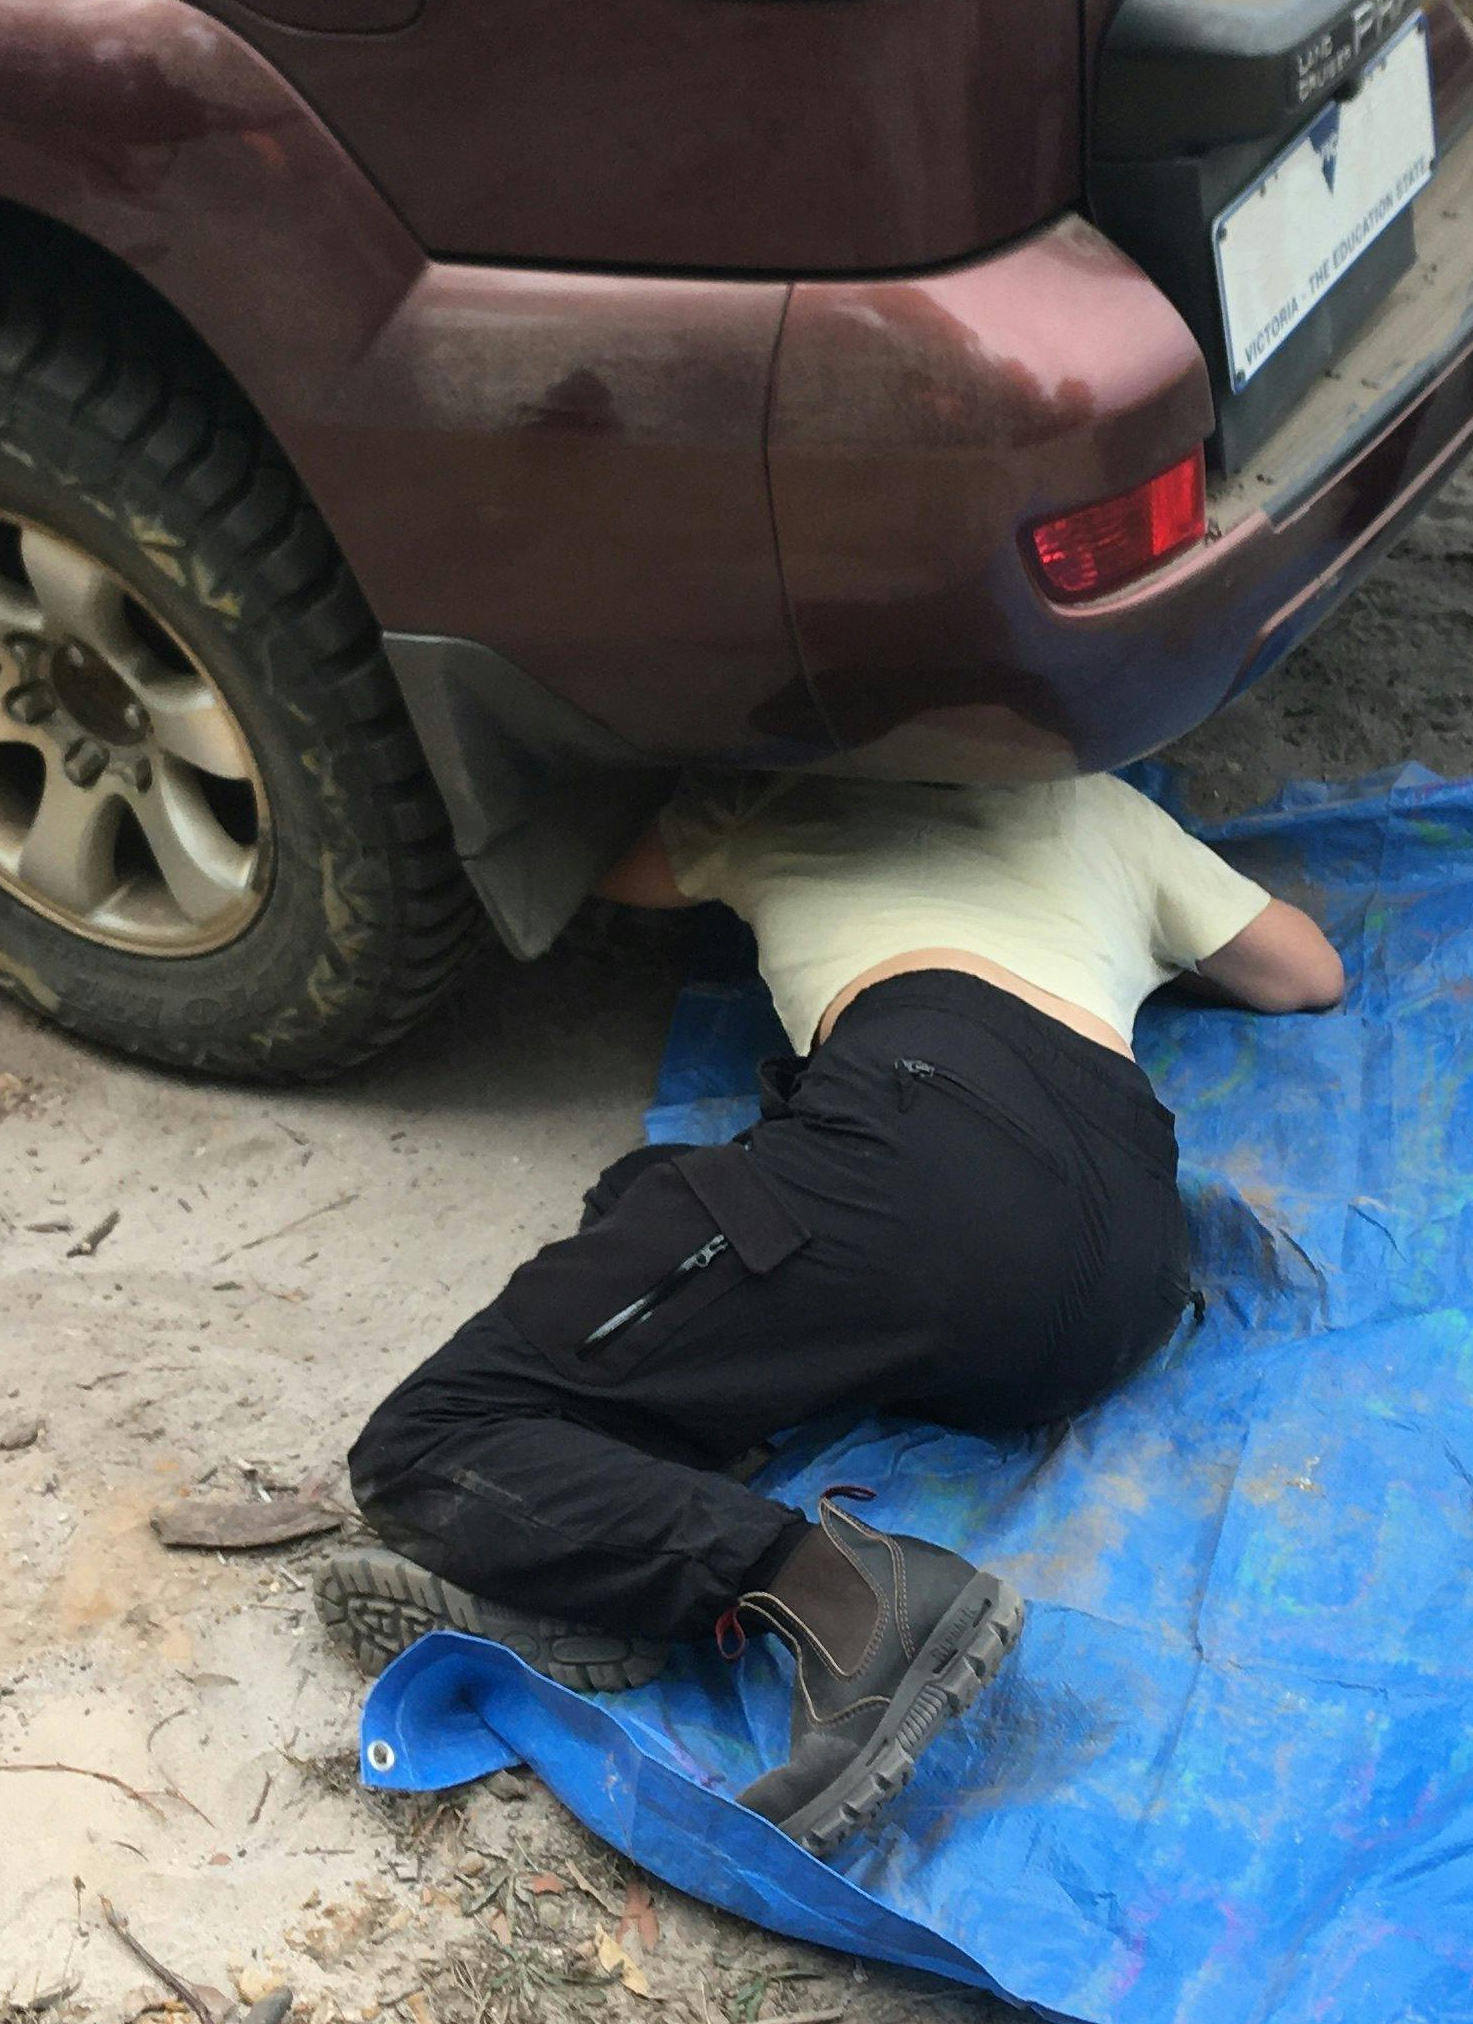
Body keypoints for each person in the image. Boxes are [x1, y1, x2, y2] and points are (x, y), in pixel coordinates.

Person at [326, 775, 1347, 1852]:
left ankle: (843, 1598)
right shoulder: (1092, 802)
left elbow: (581, 856)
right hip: (1124, 1269)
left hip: (922, 1160)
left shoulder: (776, 793)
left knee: (434, 1436)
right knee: (649, 1195)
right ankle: (607, 1547)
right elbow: (1305, 973)